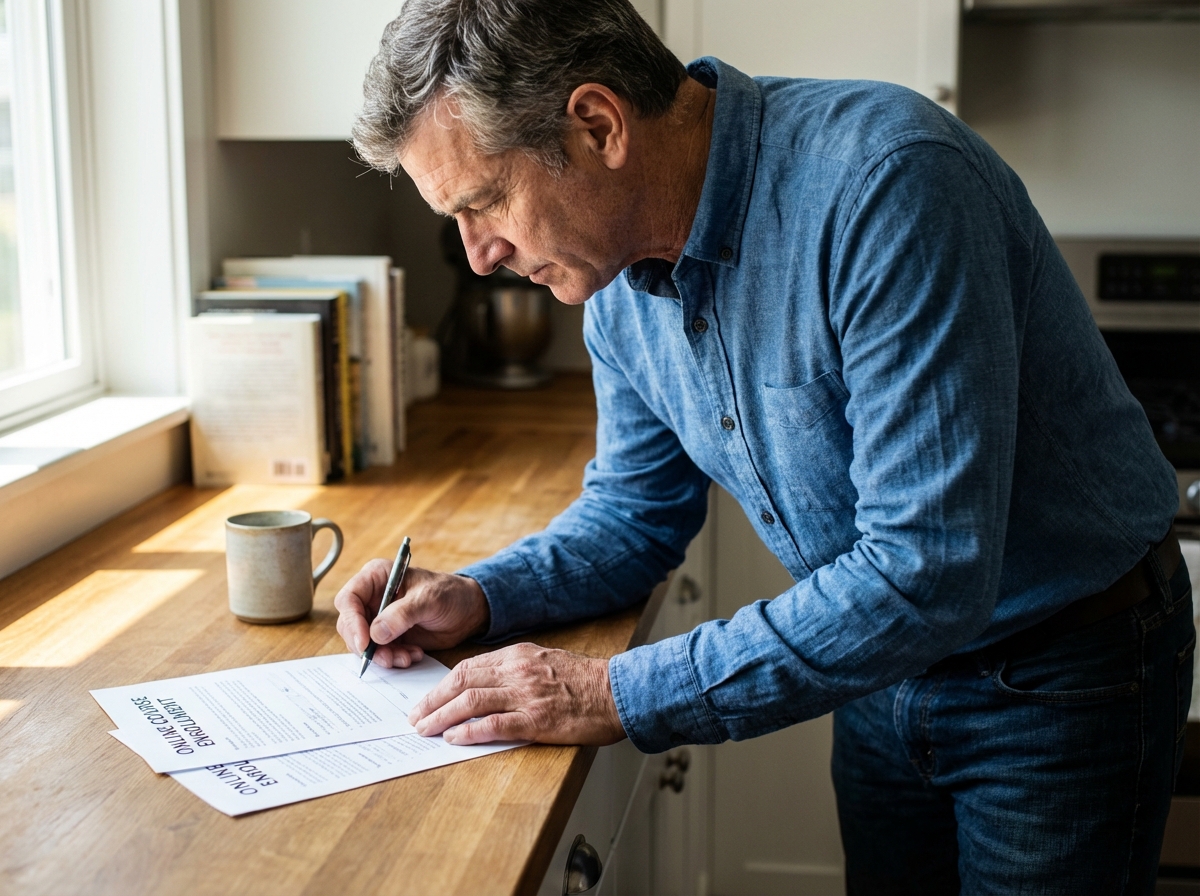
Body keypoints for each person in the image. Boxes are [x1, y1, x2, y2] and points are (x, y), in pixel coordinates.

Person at [335, 1, 1195, 891]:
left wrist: (613, 693)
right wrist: (478, 595)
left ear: (597, 125)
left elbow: (926, 570)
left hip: (1064, 674)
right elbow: (635, 514)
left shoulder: (888, 182)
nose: (477, 256)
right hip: (878, 669)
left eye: (484, 204)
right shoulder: (613, 274)